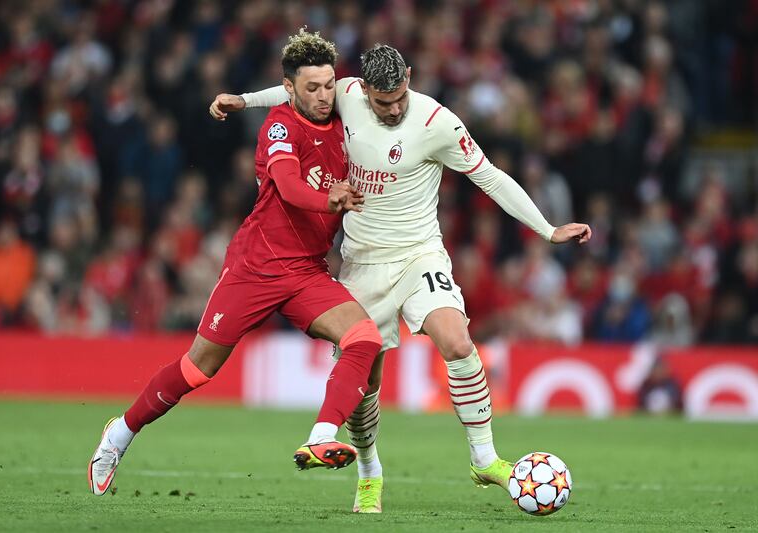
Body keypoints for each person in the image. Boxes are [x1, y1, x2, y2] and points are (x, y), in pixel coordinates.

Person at [210, 44, 592, 513]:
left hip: (419, 254)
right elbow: (289, 94)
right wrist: (243, 101)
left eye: (400, 97)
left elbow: (491, 177)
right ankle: (369, 469)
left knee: (456, 340)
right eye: (382, 101)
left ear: (409, 77)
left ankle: (484, 458)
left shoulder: (438, 123)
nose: (393, 109)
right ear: (363, 88)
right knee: (365, 380)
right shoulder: (344, 93)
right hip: (361, 263)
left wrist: (548, 229)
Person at [88, 29, 382, 496]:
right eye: (312, 88)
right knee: (198, 369)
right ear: (289, 89)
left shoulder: (344, 110)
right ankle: (119, 435)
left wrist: (243, 99)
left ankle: (322, 437)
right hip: (256, 266)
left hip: (306, 271)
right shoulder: (281, 127)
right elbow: (287, 186)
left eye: (329, 85)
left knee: (364, 339)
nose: (324, 96)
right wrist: (332, 201)